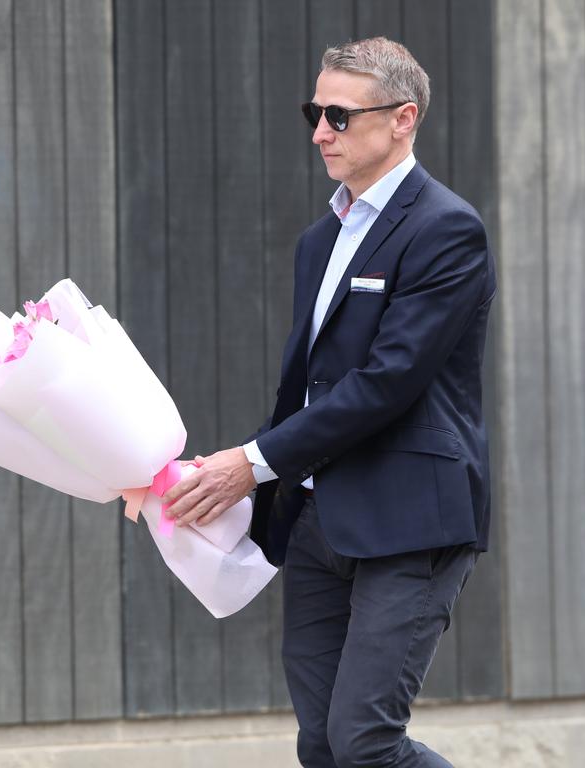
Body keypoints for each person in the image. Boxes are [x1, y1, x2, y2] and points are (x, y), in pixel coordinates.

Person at [162, 36, 496, 768]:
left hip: (410, 522)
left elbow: (387, 382)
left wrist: (250, 465)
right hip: (317, 524)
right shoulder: (321, 239)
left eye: (339, 116)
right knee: (321, 746)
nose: (319, 131)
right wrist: (199, 473)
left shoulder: (446, 230)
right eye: (315, 112)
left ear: (403, 119)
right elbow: (304, 392)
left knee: (366, 742)